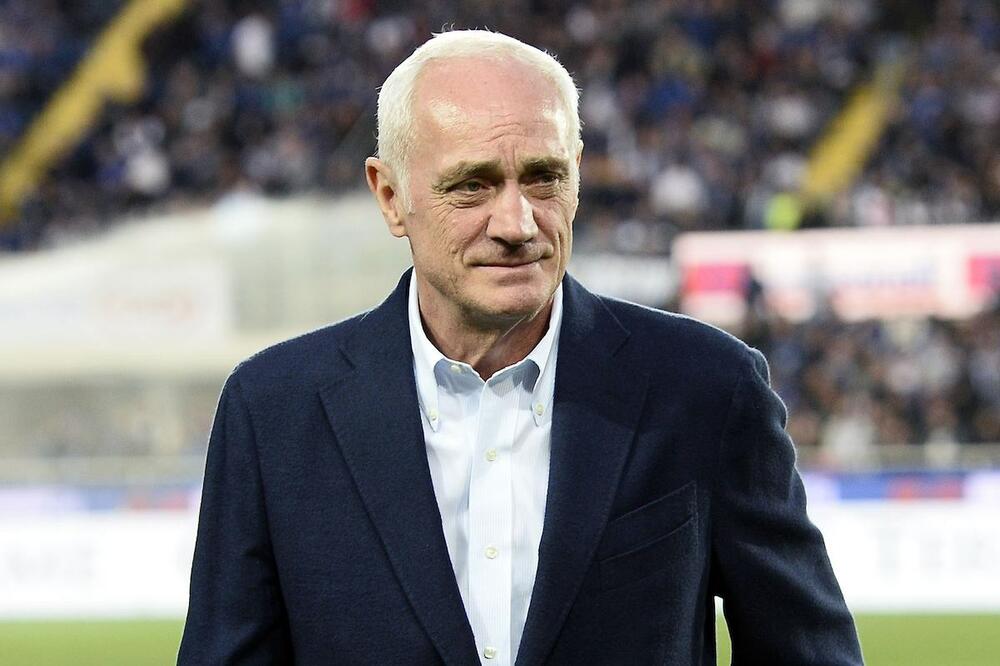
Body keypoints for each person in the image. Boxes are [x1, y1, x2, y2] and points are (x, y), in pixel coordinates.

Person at [178, 30, 863, 665]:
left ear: (578, 175)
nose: (517, 222)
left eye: (543, 177)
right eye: (471, 185)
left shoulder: (707, 388)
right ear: (390, 196)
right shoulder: (273, 412)